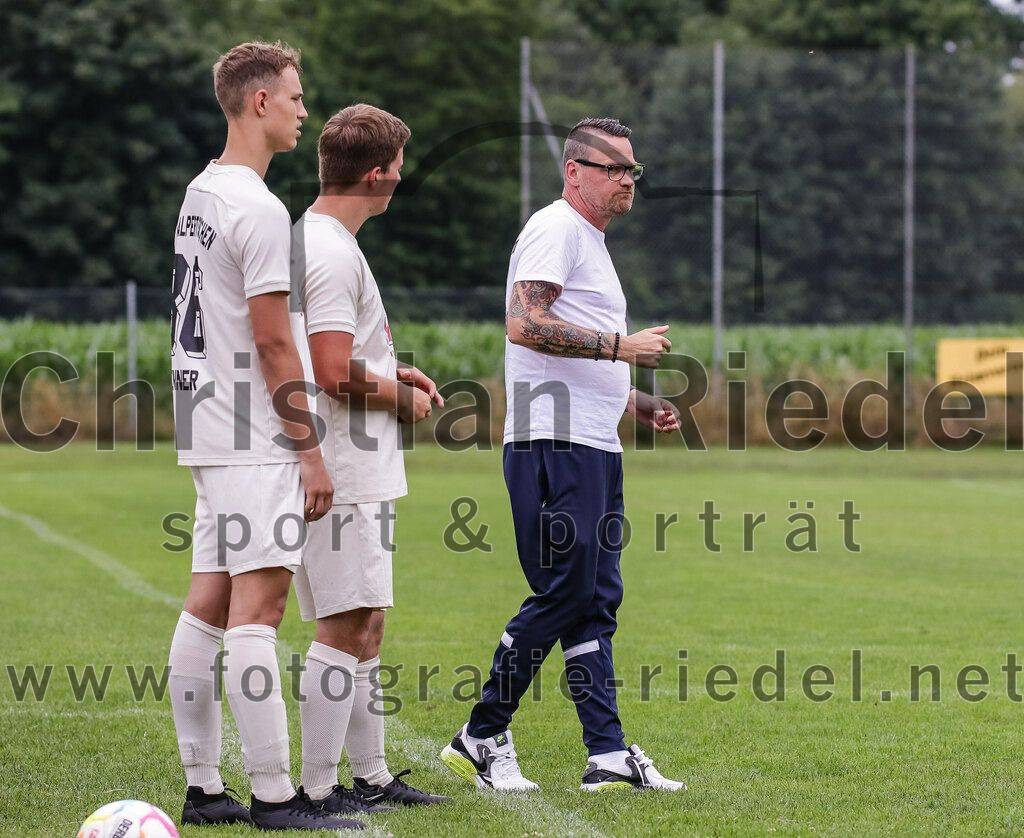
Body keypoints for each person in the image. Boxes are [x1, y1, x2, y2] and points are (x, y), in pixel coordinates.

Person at [441, 117, 687, 792]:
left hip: (593, 442)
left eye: (632, 168)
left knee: (594, 599)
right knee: (568, 590)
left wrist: (632, 397)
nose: (626, 179)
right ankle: (482, 731)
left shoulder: (593, 244)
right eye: (612, 167)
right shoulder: (555, 227)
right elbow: (526, 323)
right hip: (553, 442)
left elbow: (573, 342)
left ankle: (606, 755)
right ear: (574, 171)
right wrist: (619, 347)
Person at [168, 41, 363, 831]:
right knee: (260, 609)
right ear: (257, 103)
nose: (302, 109)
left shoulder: (199, 192)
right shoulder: (257, 205)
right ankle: (276, 796)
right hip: (254, 433)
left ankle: (204, 786)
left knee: (207, 605)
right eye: (293, 96)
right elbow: (277, 342)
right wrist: (310, 450)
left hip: (209, 429)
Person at [290, 103, 451, 816]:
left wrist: (395, 369)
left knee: (366, 619)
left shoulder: (323, 240)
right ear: (379, 175)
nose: (401, 180)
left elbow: (338, 352)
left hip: (357, 464)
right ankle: (318, 789)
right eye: (399, 169)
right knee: (344, 622)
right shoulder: (325, 247)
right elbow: (328, 370)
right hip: (340, 466)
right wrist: (399, 397)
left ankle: (373, 775)